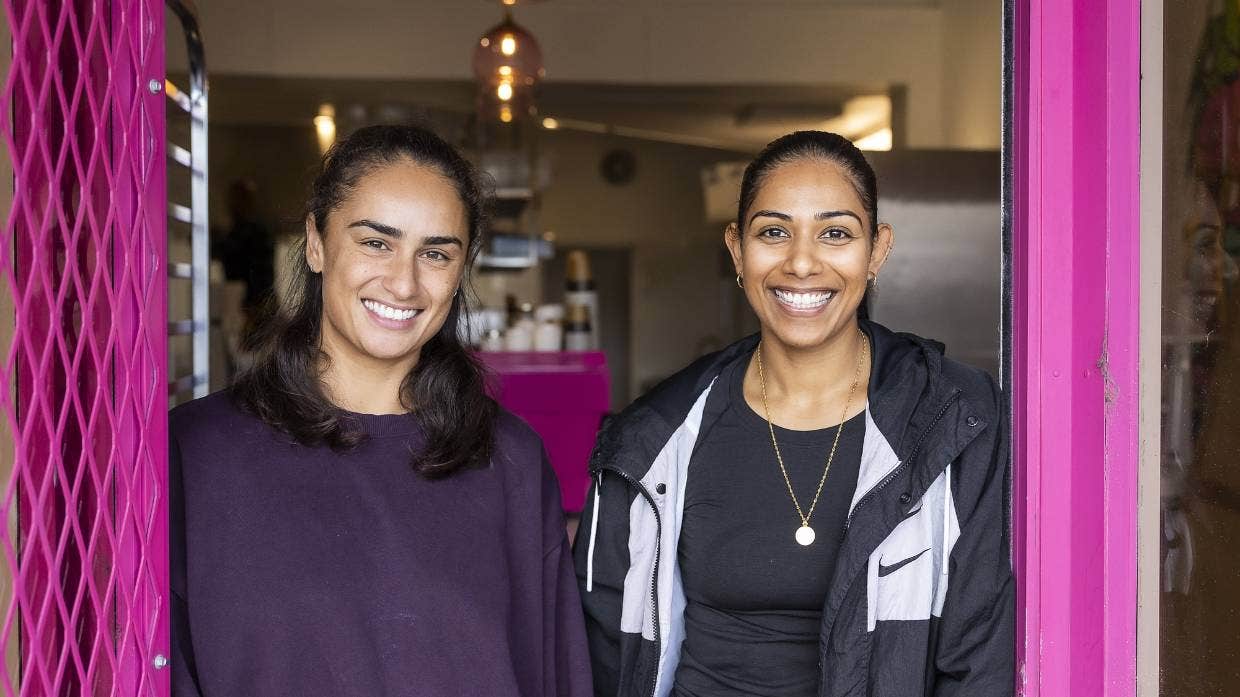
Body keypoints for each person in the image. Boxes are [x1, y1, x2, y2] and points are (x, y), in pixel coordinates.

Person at [573, 131, 1013, 697]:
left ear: (876, 250)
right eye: (774, 232)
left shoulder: (954, 421)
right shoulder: (653, 437)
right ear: (737, 248)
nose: (801, 263)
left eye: (835, 233)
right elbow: (599, 651)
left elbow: (979, 659)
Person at [170, 124, 592, 696]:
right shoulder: (197, 452)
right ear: (316, 243)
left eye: (436, 253)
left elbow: (553, 674)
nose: (404, 282)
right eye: (376, 242)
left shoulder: (509, 461)